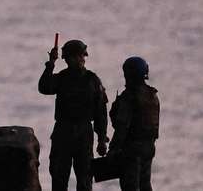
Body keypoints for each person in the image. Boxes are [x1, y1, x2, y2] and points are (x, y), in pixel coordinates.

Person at [38, 39, 109, 191]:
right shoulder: (64, 78)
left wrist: (102, 139)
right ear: (70, 59)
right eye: (80, 56)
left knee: (83, 179)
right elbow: (44, 87)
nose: (83, 59)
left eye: (83, 56)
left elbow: (100, 113)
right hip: (66, 131)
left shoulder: (92, 80)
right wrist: (50, 63)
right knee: (60, 177)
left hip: (79, 132)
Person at [109, 56, 159, 191]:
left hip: (132, 150)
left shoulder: (129, 97)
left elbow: (122, 127)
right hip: (149, 147)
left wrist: (113, 148)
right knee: (145, 184)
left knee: (130, 186)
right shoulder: (152, 95)